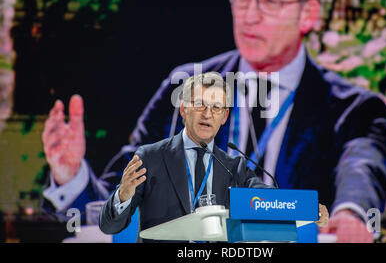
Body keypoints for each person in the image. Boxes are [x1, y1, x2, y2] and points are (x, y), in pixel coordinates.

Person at [41, 0, 386, 242]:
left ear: (307, 14)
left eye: (269, 0)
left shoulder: (353, 111)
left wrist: (351, 213)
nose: (249, 15)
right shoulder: (184, 85)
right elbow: (116, 204)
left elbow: (361, 171)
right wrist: (72, 176)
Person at [98, 72, 328, 241]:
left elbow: (266, 199)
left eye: (217, 108)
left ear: (225, 117)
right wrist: (123, 195)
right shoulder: (150, 157)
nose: (208, 114)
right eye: (200, 105)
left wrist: (308, 209)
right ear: (183, 109)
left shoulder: (234, 167)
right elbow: (109, 227)